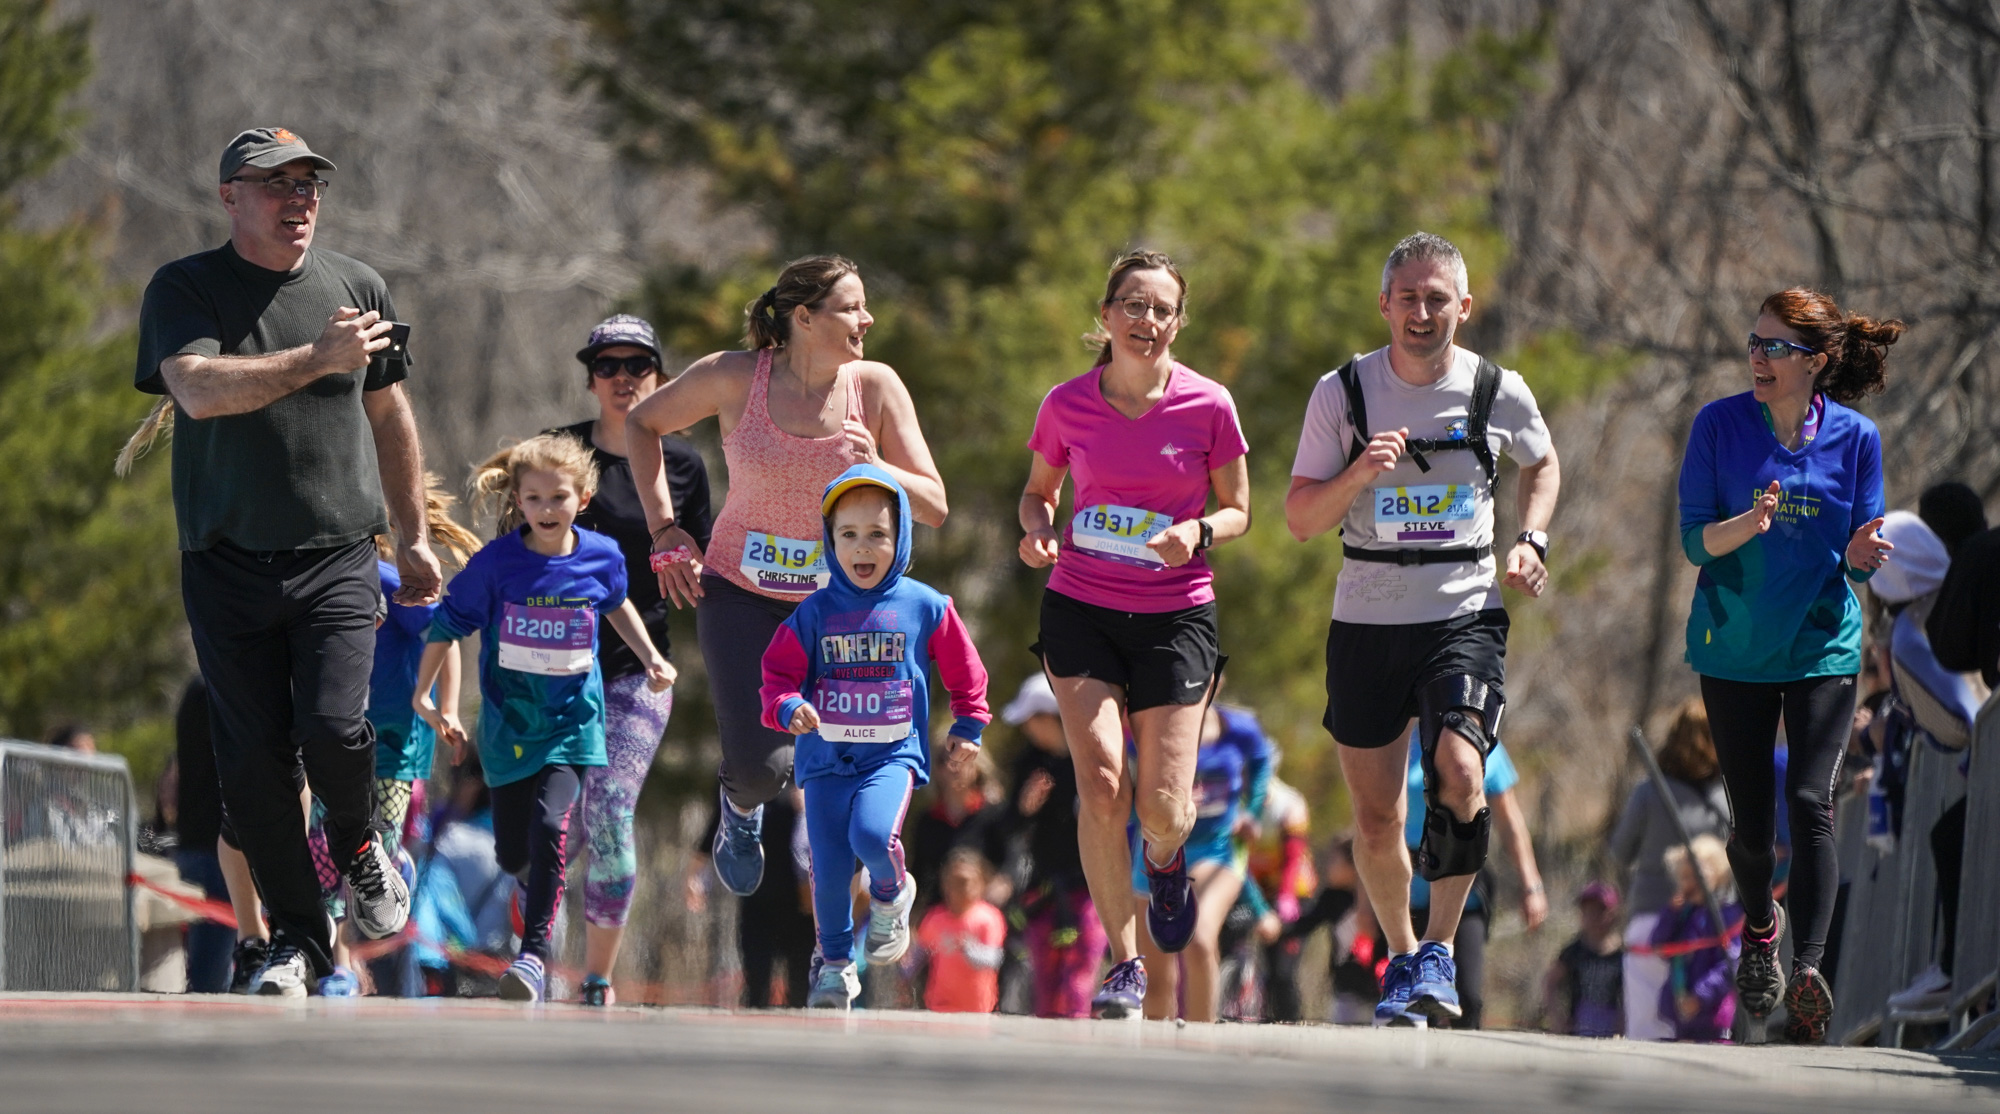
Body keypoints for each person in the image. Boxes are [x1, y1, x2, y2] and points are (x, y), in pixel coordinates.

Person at [126, 127, 438, 996]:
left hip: (337, 553)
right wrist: (316, 359)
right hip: (224, 561)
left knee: (333, 729)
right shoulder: (187, 287)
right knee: (255, 769)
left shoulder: (357, 287)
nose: (299, 199)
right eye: (277, 184)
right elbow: (197, 387)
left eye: (310, 184)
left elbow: (389, 415)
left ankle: (360, 845)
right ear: (230, 195)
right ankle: (300, 940)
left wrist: (412, 531)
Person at [1285, 232, 1560, 1028]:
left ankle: (1439, 945)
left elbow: (1542, 461)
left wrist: (1532, 539)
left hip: (1461, 611)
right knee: (1377, 820)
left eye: (1437, 298)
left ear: (1463, 307)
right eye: (1407, 297)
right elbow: (1301, 517)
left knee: (1461, 772)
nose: (1421, 311)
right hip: (1367, 621)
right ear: (1383, 305)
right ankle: (1404, 957)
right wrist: (1359, 473)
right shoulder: (1343, 393)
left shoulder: (1496, 390)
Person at [625, 256, 948, 901]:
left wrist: (880, 466)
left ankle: (852, 913)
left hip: (840, 610)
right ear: (804, 316)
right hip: (740, 595)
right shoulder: (732, 376)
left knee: (848, 769)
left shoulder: (875, 387)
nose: (867, 319)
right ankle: (738, 811)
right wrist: (665, 529)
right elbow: (642, 422)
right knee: (760, 770)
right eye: (852, 307)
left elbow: (934, 505)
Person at [1017, 250, 1251, 1019]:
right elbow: (1038, 493)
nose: (1146, 319)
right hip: (1080, 608)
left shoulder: (1208, 404)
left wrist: (1199, 532)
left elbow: (1239, 509)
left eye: (1161, 309)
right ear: (1107, 314)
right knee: (1100, 783)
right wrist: (1039, 530)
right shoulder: (1066, 404)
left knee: (1162, 808)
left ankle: (1166, 856)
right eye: (1133, 304)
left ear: (1178, 323)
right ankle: (1124, 963)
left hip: (1175, 616)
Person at [1676, 287, 1900, 1043]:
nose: (1758, 357)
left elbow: (1859, 556)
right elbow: (1694, 541)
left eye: (1775, 347)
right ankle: (1760, 928)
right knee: (1751, 829)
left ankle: (1807, 969)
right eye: (1754, 342)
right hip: (1734, 648)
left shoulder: (1857, 439)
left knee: (1811, 803)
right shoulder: (1718, 426)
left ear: (1817, 362)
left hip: (1821, 645)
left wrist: (1862, 556)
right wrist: (1750, 522)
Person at [414, 433, 675, 1003]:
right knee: (514, 853)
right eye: (534, 498)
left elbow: (617, 605)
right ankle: (532, 894)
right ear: (519, 501)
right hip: (510, 730)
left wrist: (651, 657)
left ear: (582, 499)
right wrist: (428, 699)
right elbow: (447, 624)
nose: (547, 509)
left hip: (571, 724)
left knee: (553, 825)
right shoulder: (497, 564)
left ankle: (532, 954)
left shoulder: (601, 556)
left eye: (559, 497)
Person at [760, 465, 990, 1009]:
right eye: (848, 534)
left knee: (871, 836)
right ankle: (835, 966)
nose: (862, 547)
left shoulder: (925, 605)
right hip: (825, 761)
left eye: (878, 534)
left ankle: (891, 891)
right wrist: (788, 706)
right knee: (828, 870)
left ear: (902, 536)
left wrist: (968, 723)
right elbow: (776, 676)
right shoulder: (813, 612)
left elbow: (966, 670)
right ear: (830, 541)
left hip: (890, 757)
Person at [554, 313, 715, 1006]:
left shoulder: (683, 465)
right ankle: (532, 961)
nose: (623, 378)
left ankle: (597, 978)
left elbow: (706, 564)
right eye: (608, 366)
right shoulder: (557, 454)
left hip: (639, 672)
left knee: (611, 809)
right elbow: (514, 560)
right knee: (548, 829)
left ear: (661, 378)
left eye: (638, 366)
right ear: (591, 379)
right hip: (553, 672)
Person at [1134, 703, 1271, 1022]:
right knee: (1156, 975)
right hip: (1157, 849)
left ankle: (1200, 1041)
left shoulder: (1239, 729)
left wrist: (1252, 812)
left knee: (1198, 940)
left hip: (1218, 848)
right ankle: (1155, 1047)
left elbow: (1262, 763)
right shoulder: (1149, 722)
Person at [1402, 734, 1546, 1029]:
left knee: (1468, 995)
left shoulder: (1480, 742)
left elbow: (1509, 820)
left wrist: (1531, 884)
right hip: (1409, 891)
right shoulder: (1400, 743)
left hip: (1463, 890)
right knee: (1415, 998)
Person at [1608, 698, 1732, 1040]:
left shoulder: (1649, 792)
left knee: (1647, 1028)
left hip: (1657, 916)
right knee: (1705, 1032)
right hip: (1709, 926)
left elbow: (1619, 851)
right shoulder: (1728, 798)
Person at [370, 480, 481, 845]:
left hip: (394, 744)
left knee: (382, 850)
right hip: (335, 744)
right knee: (327, 853)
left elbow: (444, 633)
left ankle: (397, 875)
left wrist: (446, 709)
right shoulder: (314, 584)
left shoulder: (386, 582)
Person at [998, 674, 1107, 1019]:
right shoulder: (1028, 764)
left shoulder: (1092, 758)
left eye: (1030, 720)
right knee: (1045, 977)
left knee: (1079, 972)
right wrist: (1025, 808)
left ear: (1049, 718)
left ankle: (1077, 1033)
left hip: (1089, 887)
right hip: (1042, 888)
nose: (1025, 729)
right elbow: (1009, 824)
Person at [170, 679, 236, 993]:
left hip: (193, 843)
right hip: (218, 848)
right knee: (211, 972)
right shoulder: (218, 691)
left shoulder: (196, 691)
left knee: (205, 961)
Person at [1648, 836, 1741, 1043]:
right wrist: (1670, 913)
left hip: (1713, 1013)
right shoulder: (1683, 914)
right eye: (1684, 877)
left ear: (1717, 874)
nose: (1689, 883)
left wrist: (1701, 995)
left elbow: (1731, 963)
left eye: (1697, 876)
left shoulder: (1726, 915)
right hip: (1681, 1010)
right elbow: (1659, 945)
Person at [911, 847, 1009, 1013]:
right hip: (940, 1005)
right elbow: (920, 954)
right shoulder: (935, 918)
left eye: (965, 882)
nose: (960, 889)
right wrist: (904, 969)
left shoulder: (989, 918)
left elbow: (995, 958)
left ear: (981, 884)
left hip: (978, 1008)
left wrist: (969, 950)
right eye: (954, 882)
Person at [1541, 882, 1624, 1038]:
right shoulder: (1573, 952)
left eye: (1600, 910)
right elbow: (1549, 983)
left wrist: (1624, 1023)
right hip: (1578, 1029)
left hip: (1614, 1031)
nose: (1594, 917)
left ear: (1614, 914)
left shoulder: (1624, 955)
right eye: (1588, 911)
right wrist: (1556, 1017)